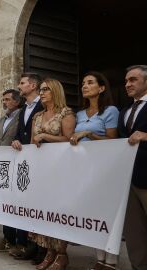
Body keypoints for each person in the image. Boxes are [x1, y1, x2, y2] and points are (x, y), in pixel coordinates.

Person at [68, 72, 119, 270]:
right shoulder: (79, 114)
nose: (84, 86)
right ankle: (99, 258)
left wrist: (90, 134)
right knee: (94, 212)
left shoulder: (111, 111)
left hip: (105, 167)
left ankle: (112, 260)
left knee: (108, 212)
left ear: (102, 88)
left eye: (90, 83)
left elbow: (114, 141)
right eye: (83, 83)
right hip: (84, 168)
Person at [29, 78, 76, 270]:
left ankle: (62, 254)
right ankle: (49, 251)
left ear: (55, 91)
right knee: (43, 210)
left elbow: (69, 139)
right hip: (41, 169)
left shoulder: (66, 113)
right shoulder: (37, 115)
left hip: (61, 169)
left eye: (46, 89)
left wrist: (46, 136)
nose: (42, 93)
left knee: (58, 210)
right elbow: (33, 141)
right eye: (40, 90)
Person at [11, 72, 44, 262]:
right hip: (25, 161)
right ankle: (30, 245)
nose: (19, 85)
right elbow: (20, 132)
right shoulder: (24, 108)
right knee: (26, 204)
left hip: (39, 159)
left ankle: (41, 248)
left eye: (22, 83)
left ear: (33, 86)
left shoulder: (42, 105)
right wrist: (16, 140)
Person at [119, 65, 147, 270]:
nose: (128, 84)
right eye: (127, 80)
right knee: (134, 232)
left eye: (133, 80)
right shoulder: (124, 111)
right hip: (128, 179)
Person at [0, 89, 22, 252]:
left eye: (8, 99)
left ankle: (20, 241)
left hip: (17, 164)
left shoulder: (22, 116)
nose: (4, 102)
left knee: (18, 202)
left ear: (17, 101)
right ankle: (7, 237)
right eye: (3, 99)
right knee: (5, 202)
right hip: (2, 166)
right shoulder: (1, 120)